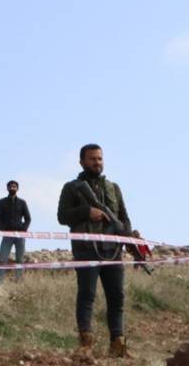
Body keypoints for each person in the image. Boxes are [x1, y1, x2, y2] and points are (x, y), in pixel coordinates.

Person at [57, 144, 132, 358]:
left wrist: (130, 239)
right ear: (82, 162)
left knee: (116, 297)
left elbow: (124, 217)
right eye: (92, 159)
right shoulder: (72, 187)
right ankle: (85, 345)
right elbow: (62, 216)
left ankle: (118, 345)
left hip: (112, 251)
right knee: (87, 295)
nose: (96, 162)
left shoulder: (113, 188)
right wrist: (87, 212)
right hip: (86, 249)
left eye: (99, 159)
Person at [0, 179, 31, 284]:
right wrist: (3, 229)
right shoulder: (2, 202)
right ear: (7, 188)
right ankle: (0, 282)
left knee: (20, 259)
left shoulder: (22, 202)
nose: (12, 188)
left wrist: (23, 230)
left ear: (17, 189)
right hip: (7, 235)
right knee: (2, 259)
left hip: (20, 236)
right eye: (10, 186)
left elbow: (28, 218)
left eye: (14, 186)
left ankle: (19, 281)